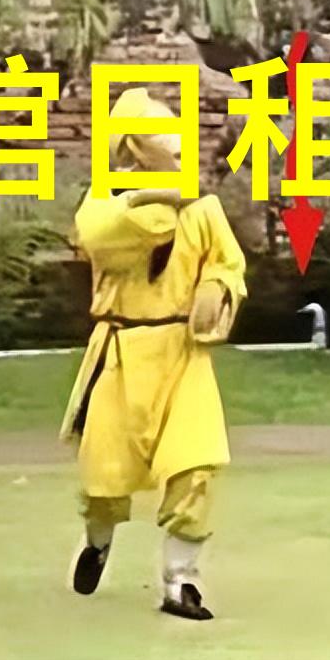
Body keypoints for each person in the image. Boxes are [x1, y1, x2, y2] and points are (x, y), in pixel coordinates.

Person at [63, 87, 247, 621]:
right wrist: (153, 198)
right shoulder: (105, 201)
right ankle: (98, 542)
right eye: (163, 134)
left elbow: (228, 262)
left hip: (182, 354)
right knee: (104, 478)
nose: (178, 142)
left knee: (196, 464)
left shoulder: (204, 209)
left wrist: (217, 287)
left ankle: (180, 581)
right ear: (136, 147)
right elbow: (100, 237)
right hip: (120, 355)